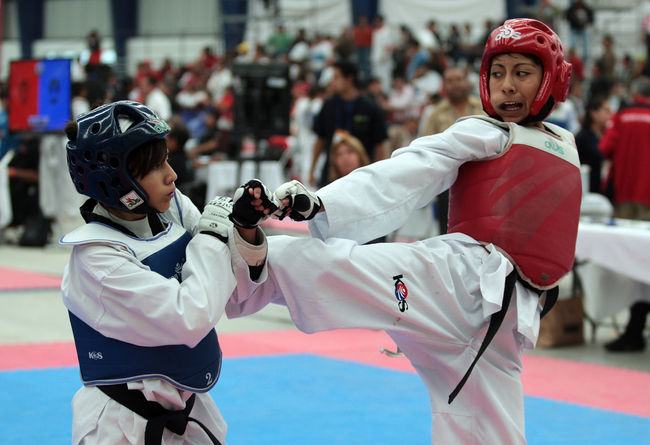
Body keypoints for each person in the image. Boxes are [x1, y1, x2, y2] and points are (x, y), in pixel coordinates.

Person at [227, 19, 581, 444]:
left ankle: (245, 265)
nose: (507, 85)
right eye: (497, 73)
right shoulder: (487, 133)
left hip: (506, 320)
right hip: (458, 282)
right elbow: (409, 170)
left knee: (490, 433)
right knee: (323, 264)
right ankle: (225, 264)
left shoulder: (564, 144)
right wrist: (322, 203)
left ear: (552, 79)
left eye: (521, 73)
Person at [59, 100, 266, 444]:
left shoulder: (167, 210)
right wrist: (215, 237)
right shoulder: (97, 257)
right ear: (117, 180)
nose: (172, 174)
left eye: (166, 159)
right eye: (155, 167)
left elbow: (231, 283)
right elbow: (190, 316)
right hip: (120, 421)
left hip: (189, 407)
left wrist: (243, 228)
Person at [422, 65, 484, 235]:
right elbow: (427, 150)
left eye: (458, 79)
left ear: (466, 82)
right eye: (450, 81)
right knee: (448, 234)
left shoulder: (483, 108)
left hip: (482, 180)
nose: (455, 84)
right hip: (448, 185)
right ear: (443, 86)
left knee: (482, 234)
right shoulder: (435, 114)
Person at [308, 61, 388, 187]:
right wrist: (312, 169)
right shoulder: (328, 105)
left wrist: (380, 175)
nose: (333, 82)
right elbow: (320, 139)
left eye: (336, 77)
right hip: (331, 173)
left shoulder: (369, 107)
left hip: (362, 174)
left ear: (349, 79)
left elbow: (379, 145)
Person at [599, 76, 650, 220]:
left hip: (622, 189)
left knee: (623, 237)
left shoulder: (620, 117)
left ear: (634, 94)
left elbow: (605, 148)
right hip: (647, 193)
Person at [574, 95, 611, 194]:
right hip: (587, 190)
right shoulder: (583, 137)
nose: (610, 115)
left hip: (604, 190)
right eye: (606, 111)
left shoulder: (607, 136)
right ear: (594, 113)